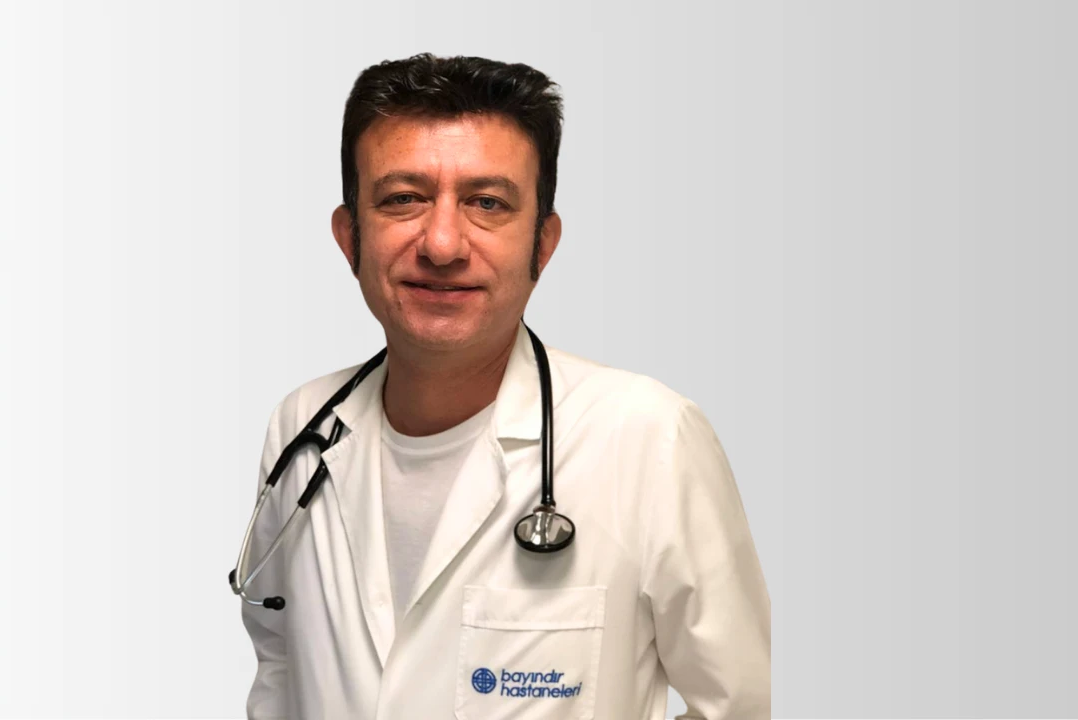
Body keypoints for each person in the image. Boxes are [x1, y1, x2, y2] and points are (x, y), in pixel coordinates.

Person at [239, 53, 770, 719]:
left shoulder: (648, 438)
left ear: (542, 244)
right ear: (351, 238)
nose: (442, 244)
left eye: (487, 203)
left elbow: (736, 705)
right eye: (403, 199)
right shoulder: (304, 427)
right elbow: (281, 662)